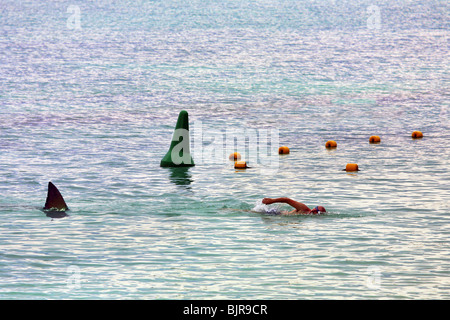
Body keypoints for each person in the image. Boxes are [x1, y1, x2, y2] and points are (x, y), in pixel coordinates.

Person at [262, 197, 326, 215]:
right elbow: (287, 200)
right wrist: (272, 201)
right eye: (314, 210)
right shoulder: (304, 209)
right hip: (274, 213)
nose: (313, 211)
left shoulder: (307, 215)